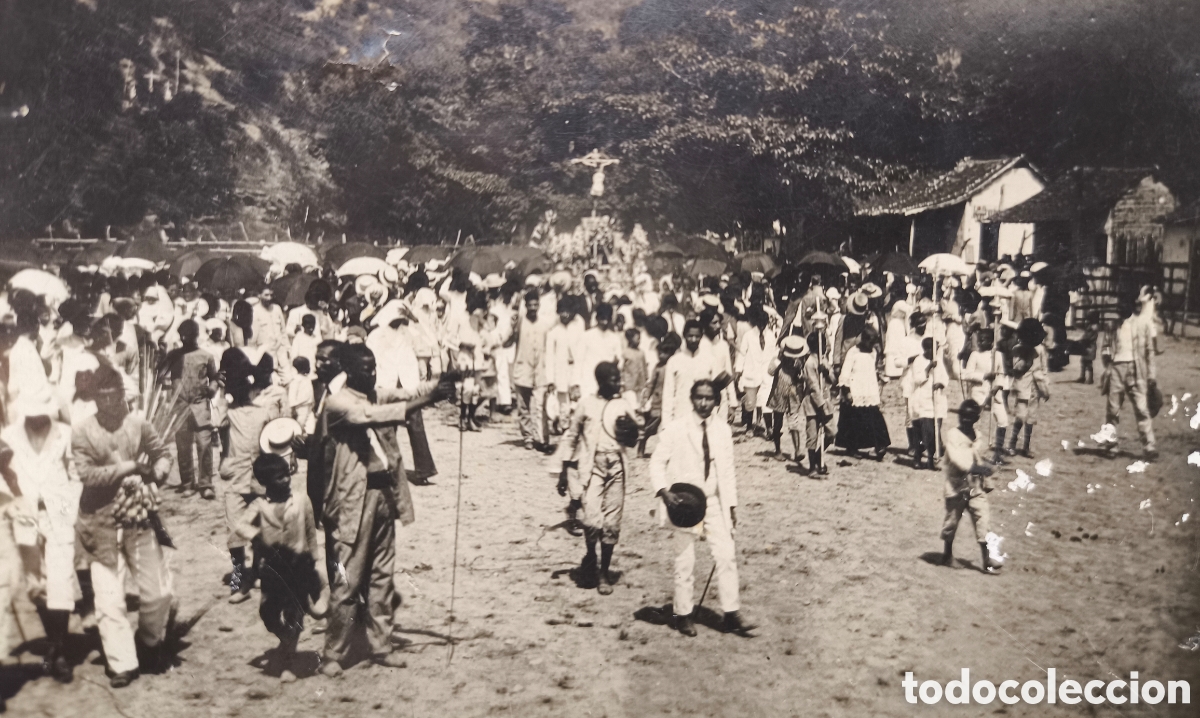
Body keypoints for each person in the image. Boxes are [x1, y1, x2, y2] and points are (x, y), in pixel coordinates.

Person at [319, 343, 447, 677]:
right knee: (348, 579)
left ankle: (381, 645)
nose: (372, 373)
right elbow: (375, 415)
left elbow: (408, 392)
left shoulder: (375, 394)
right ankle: (333, 652)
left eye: (374, 367)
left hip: (383, 494)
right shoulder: (339, 403)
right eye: (366, 368)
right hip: (354, 499)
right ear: (349, 371)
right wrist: (429, 400)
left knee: (382, 575)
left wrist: (443, 383)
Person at [72, 364, 174, 687]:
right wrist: (129, 468)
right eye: (101, 397)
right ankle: (121, 663)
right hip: (99, 521)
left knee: (159, 590)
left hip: (138, 515)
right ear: (94, 398)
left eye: (113, 396)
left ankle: (148, 641)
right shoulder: (82, 431)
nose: (108, 403)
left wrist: (157, 474)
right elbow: (87, 474)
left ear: (122, 395)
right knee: (108, 597)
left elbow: (162, 454)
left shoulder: (138, 423)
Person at [649, 380, 752, 637]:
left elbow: (727, 471)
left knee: (726, 555)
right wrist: (664, 492)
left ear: (717, 401)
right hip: (685, 503)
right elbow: (656, 462)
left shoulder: (723, 430)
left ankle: (731, 614)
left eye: (709, 398)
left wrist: (731, 506)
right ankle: (683, 614)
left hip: (715, 500)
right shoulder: (676, 428)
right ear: (691, 398)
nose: (703, 403)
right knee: (685, 559)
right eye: (699, 397)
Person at [3, 385, 80, 682]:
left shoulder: (64, 434)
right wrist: (11, 505)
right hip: (25, 516)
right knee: (36, 585)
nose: (37, 420)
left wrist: (70, 507)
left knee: (60, 581)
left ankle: (57, 650)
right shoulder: (9, 437)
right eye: (32, 415)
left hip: (58, 513)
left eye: (41, 414)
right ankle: (54, 639)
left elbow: (75, 474)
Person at [237, 452, 328, 683]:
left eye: (287, 474)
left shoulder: (301, 500)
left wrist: (314, 560)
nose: (286, 480)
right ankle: (286, 639)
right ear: (265, 482)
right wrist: (258, 537)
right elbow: (241, 527)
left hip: (298, 566)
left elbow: (310, 531)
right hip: (273, 569)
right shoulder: (259, 505)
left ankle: (289, 661)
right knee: (267, 612)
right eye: (279, 478)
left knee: (293, 613)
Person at [556, 362, 641, 594]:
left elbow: (634, 437)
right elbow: (572, 436)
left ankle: (603, 573)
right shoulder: (586, 404)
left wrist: (631, 431)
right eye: (613, 380)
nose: (618, 383)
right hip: (592, 467)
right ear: (601, 381)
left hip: (617, 467)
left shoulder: (623, 404)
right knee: (591, 520)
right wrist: (564, 471)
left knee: (611, 523)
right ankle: (591, 556)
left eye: (619, 379)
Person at [218, 348, 281, 604]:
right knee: (235, 530)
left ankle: (254, 572)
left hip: (259, 480)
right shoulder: (228, 414)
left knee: (259, 528)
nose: (243, 391)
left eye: (245, 385)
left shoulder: (263, 412)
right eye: (237, 386)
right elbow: (217, 420)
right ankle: (238, 577)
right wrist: (222, 390)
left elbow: (274, 443)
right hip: (236, 479)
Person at [157, 319, 218, 499]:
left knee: (204, 445)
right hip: (180, 407)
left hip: (200, 405)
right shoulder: (173, 355)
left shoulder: (206, 356)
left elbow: (215, 378)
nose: (185, 340)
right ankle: (187, 483)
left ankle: (206, 484)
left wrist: (212, 389)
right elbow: (160, 374)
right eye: (183, 337)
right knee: (183, 447)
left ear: (196, 336)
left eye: (189, 336)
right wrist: (162, 356)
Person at [940, 399, 1002, 574]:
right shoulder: (953, 435)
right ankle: (947, 555)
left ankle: (986, 559)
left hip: (975, 487)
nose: (965, 420)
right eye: (963, 416)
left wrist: (986, 470)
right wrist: (977, 468)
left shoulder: (978, 436)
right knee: (951, 522)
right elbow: (957, 460)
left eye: (969, 417)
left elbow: (978, 457)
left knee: (983, 520)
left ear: (976, 418)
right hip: (956, 486)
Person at [1099, 294, 1158, 460]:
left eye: (1124, 307)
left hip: (1136, 369)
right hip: (1116, 369)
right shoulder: (1112, 326)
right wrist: (1108, 364)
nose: (1120, 310)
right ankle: (1111, 445)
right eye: (1119, 308)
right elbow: (1105, 347)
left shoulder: (1142, 324)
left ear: (1132, 308)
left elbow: (1149, 351)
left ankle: (1149, 446)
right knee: (1113, 409)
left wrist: (1151, 375)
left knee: (1141, 408)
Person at [834, 327, 890, 461]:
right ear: (864, 340)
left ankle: (880, 445)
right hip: (855, 391)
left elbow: (871, 369)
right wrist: (847, 392)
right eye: (870, 342)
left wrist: (879, 377)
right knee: (854, 422)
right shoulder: (853, 352)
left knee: (875, 418)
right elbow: (845, 373)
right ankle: (852, 448)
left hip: (868, 390)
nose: (871, 345)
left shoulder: (873, 352)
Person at [1006, 318, 1050, 457]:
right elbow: (1016, 369)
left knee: (1031, 418)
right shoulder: (1017, 350)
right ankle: (1012, 443)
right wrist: (1026, 359)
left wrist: (1045, 387)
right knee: (1020, 416)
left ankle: (1026, 446)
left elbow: (1044, 368)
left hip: (1036, 388)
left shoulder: (1040, 349)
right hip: (1022, 387)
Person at [512, 290, 548, 450]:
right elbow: (507, 342)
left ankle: (542, 438)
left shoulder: (544, 324)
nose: (533, 308)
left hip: (540, 370)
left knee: (541, 406)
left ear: (539, 305)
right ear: (525, 306)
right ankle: (528, 436)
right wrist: (512, 327)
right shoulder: (519, 322)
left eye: (535, 305)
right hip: (523, 368)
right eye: (530, 305)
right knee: (523, 406)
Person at [908, 337, 949, 471]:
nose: (935, 352)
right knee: (923, 432)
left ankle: (931, 460)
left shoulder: (939, 361)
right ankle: (917, 458)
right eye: (933, 349)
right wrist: (929, 367)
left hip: (936, 400)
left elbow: (945, 377)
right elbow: (917, 379)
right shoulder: (918, 361)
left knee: (935, 432)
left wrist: (941, 383)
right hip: (922, 401)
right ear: (926, 349)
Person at [662, 321, 713, 427]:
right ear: (684, 336)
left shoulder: (709, 360)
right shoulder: (674, 361)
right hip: (680, 416)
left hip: (704, 418)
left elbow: (716, 392)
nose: (693, 339)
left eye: (697, 336)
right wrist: (666, 424)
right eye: (690, 336)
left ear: (701, 337)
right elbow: (668, 394)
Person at [621, 328, 647, 409]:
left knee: (640, 402)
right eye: (637, 339)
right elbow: (622, 368)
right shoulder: (625, 353)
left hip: (640, 382)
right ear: (630, 339)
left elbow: (644, 367)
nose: (639, 341)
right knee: (630, 403)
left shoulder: (641, 353)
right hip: (629, 383)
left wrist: (646, 378)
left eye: (640, 339)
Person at [1078, 312, 1099, 385]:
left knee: (1089, 363)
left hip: (1090, 347)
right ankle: (1082, 377)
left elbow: (1089, 337)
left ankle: (1090, 379)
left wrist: (1083, 339)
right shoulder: (1090, 327)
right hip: (1087, 346)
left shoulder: (1093, 328)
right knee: (1083, 361)